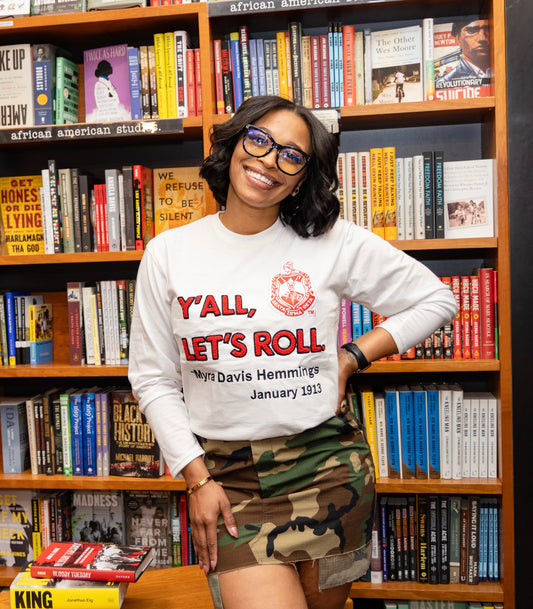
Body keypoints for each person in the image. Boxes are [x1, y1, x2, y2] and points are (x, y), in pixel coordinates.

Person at [128, 95, 457, 609]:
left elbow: (436, 298)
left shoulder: (330, 242)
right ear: (234, 143)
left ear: (303, 177)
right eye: (258, 140)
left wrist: (351, 356)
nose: (268, 161)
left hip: (330, 468)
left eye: (291, 155)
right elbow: (152, 378)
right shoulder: (169, 253)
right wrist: (196, 479)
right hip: (228, 478)